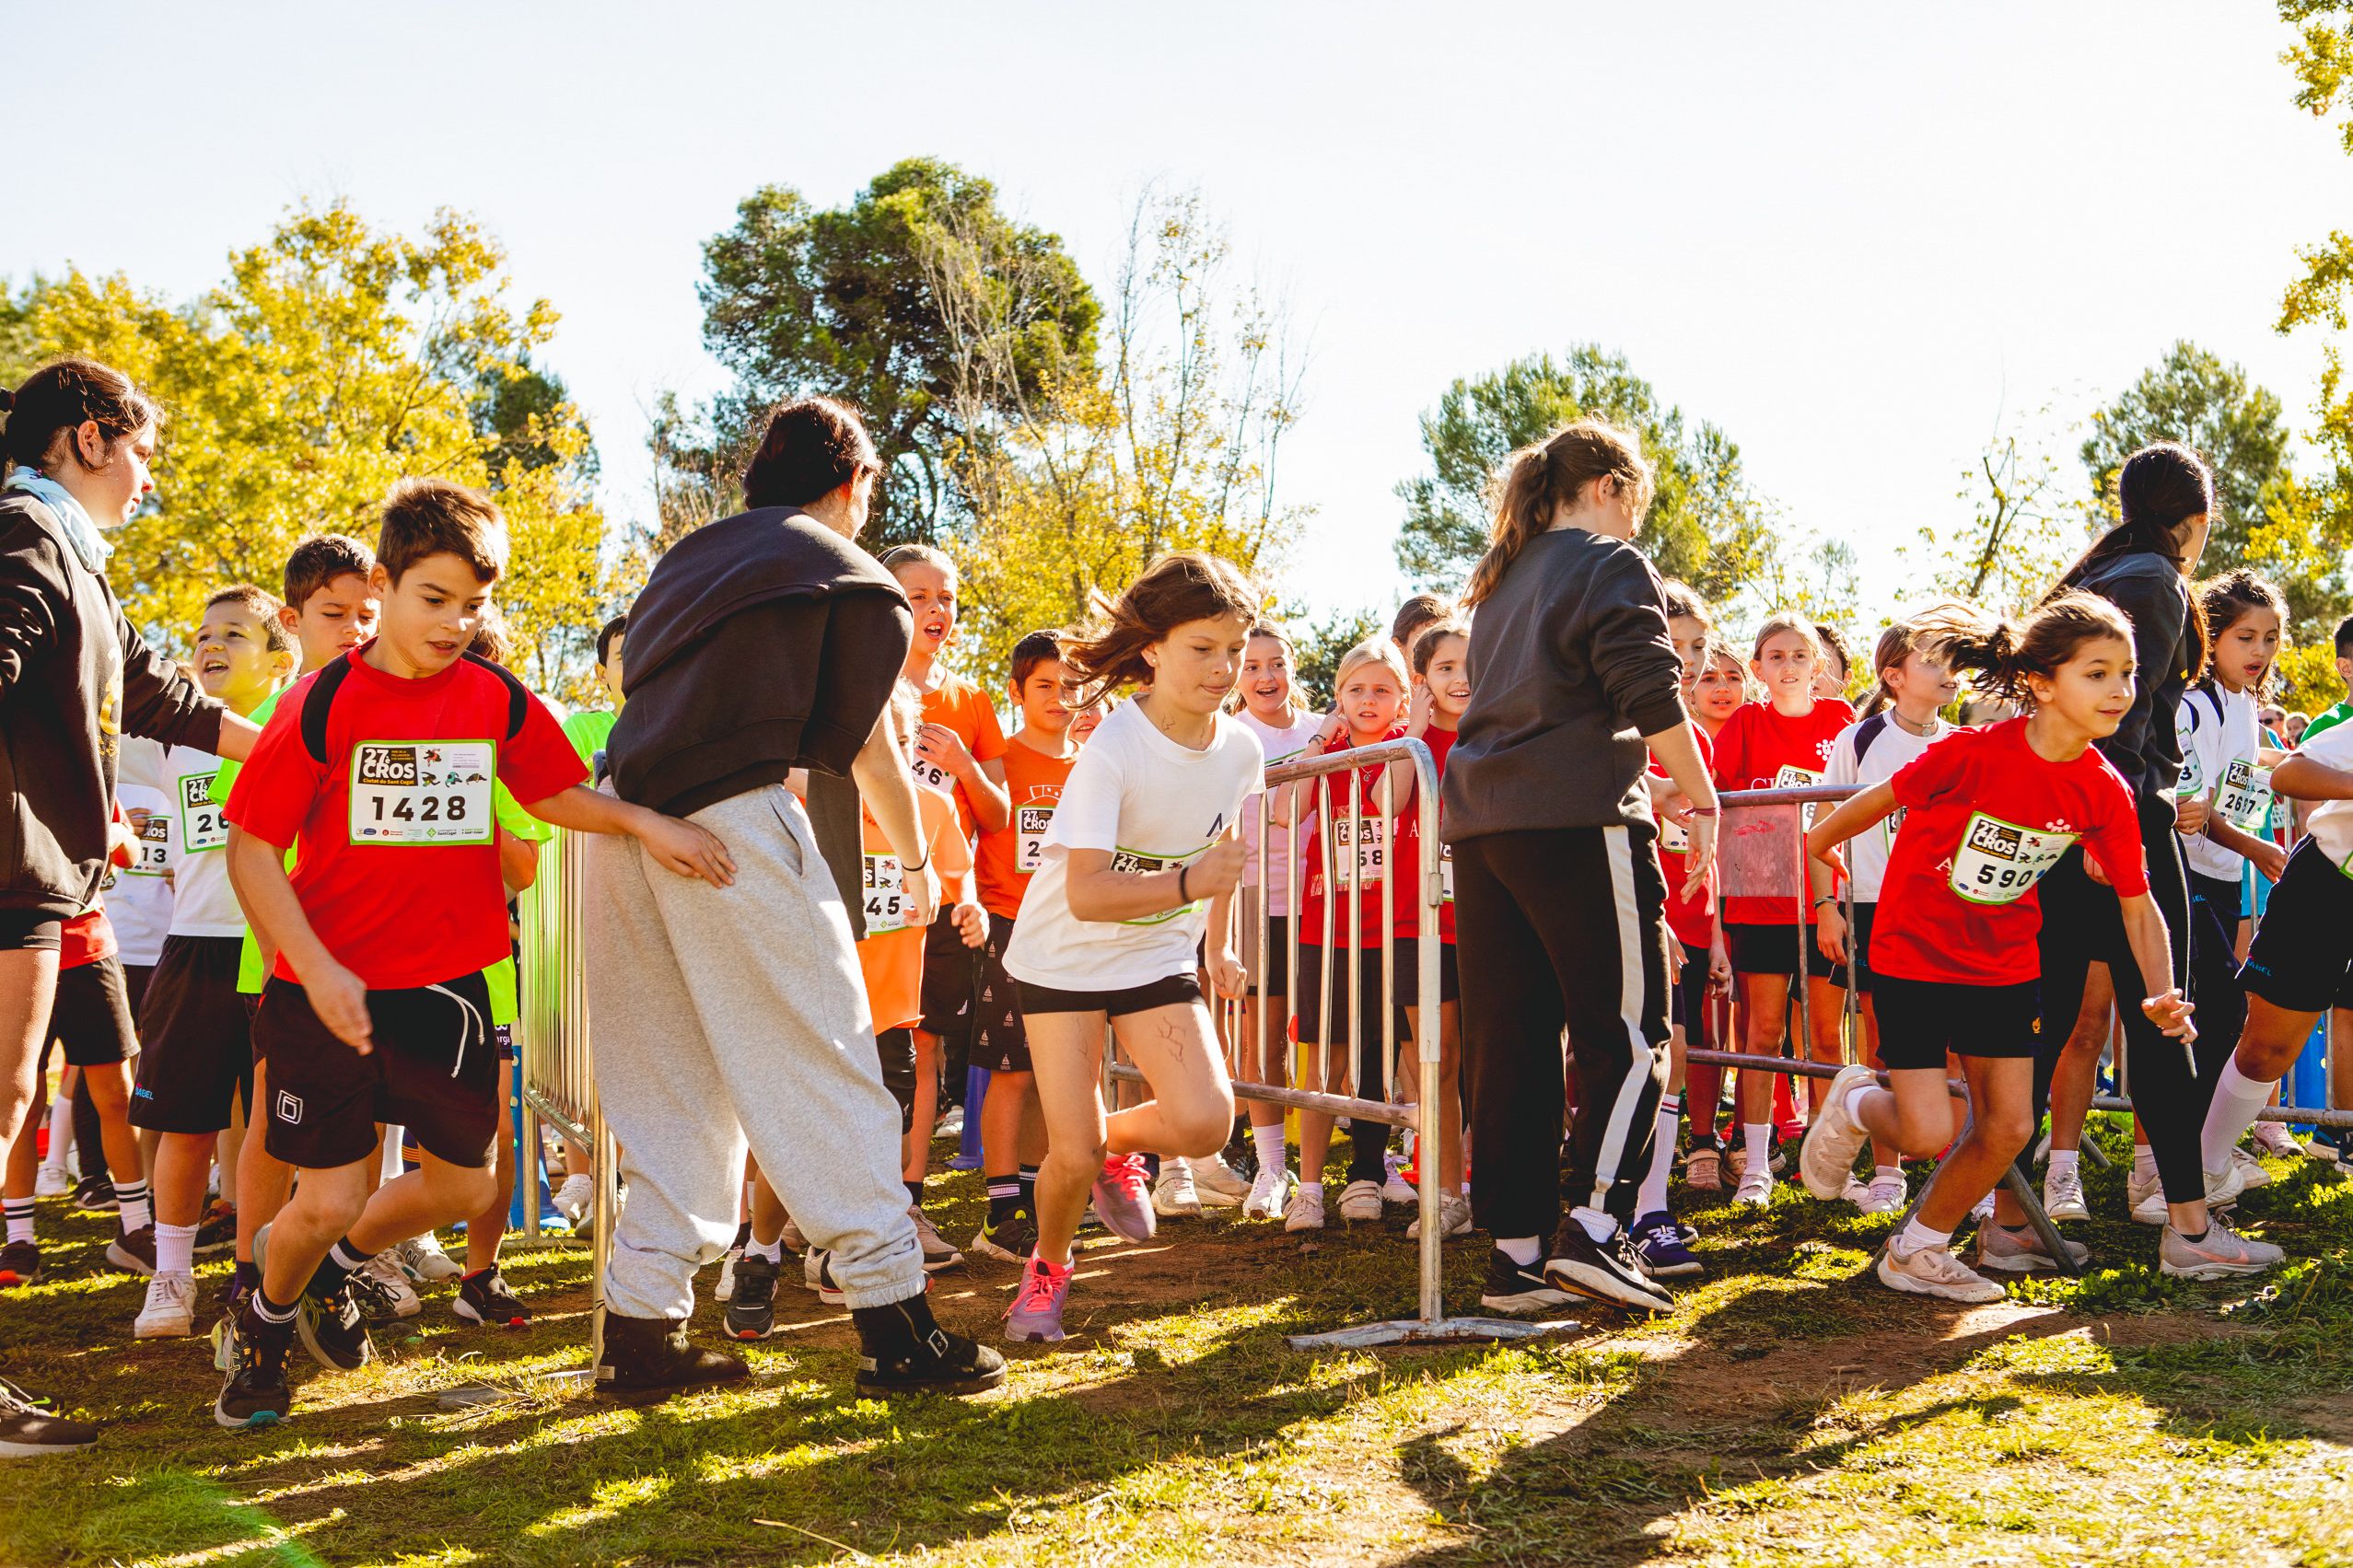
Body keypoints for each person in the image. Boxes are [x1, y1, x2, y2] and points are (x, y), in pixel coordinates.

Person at [211, 477, 734, 1429]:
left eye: (475, 603)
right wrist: (318, 965)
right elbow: (251, 848)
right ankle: (263, 1317)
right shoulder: (322, 702)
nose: (456, 622)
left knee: (468, 1183)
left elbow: (551, 793)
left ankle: (327, 1278)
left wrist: (645, 824)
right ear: (387, 582)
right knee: (330, 1196)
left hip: (446, 987)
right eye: (434, 599)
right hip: (323, 987)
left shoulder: (494, 695)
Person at [584, 397, 1005, 1400]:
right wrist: (925, 863)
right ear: (854, 481)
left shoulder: (688, 559)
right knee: (822, 1057)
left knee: (670, 1079)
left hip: (623, 819)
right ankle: (896, 1326)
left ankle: (639, 1332)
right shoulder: (851, 575)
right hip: (731, 819)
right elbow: (868, 748)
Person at [1, 358, 264, 1457]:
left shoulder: (73, 551)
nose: (151, 475)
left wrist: (313, 763)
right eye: (144, 449)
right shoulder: (26, 531)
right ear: (90, 438)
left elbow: (161, 696)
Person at [1800, 595, 2196, 1300]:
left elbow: (2139, 907)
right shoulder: (1968, 752)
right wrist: (1823, 860)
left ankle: (1916, 1248)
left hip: (2004, 963)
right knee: (1924, 1131)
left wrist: (2161, 991)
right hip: (1914, 952)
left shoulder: (2103, 788)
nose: (2119, 690)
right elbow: (1870, 803)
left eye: (2127, 673)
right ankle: (1859, 1098)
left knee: (2009, 1124)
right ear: (2042, 684)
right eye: (2097, 673)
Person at [1441, 420, 1718, 1318]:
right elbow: (1645, 682)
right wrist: (1698, 793)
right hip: (1578, 818)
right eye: (1634, 500)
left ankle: (1516, 1256)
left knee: (1510, 1041)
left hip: (1485, 828)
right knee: (1632, 1029)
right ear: (1606, 486)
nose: (1635, 519)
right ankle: (1596, 1227)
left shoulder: (1500, 582)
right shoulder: (1608, 560)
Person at [999, 552, 1260, 1345]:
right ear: (1151, 648)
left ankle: (1110, 1143)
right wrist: (1188, 884)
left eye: (1235, 651)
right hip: (1061, 959)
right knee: (1065, 1159)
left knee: (1206, 1122)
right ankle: (1046, 1269)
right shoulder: (1114, 747)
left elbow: (1223, 860)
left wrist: (1218, 941)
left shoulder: (1243, 751)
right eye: (1202, 648)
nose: (1223, 669)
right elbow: (1086, 891)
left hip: (1155, 958)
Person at [2026, 444, 2246, 1270]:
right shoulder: (2152, 580)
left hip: (2084, 821)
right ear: (2195, 515)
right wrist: (2097, 828)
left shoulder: (2114, 570)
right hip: (2113, 824)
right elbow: (2113, 714)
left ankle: (2006, 1217)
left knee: (2071, 1025)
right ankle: (2187, 1228)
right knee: (2185, 1012)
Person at [130, 587, 297, 1339]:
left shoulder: (294, 726)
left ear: (279, 656)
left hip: (276, 948)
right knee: (185, 1123)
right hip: (194, 945)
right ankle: (169, 1278)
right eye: (201, 634)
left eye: (235, 633)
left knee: (274, 1125)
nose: (211, 645)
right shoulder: (170, 735)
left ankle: (260, 1275)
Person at [879, 544, 1008, 1243]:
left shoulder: (970, 699)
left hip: (938, 903)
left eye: (946, 597)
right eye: (918, 596)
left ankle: (907, 1200)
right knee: (857, 1049)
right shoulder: (854, 685)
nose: (936, 610)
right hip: (862, 897)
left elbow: (996, 815)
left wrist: (959, 761)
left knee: (923, 1051)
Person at [1811, 610, 1961, 1215]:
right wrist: (1827, 906)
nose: (1948, 670)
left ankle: (1953, 1164)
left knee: (1954, 1047)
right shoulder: (1861, 738)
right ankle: (1886, 1171)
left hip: (1948, 913)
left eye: (1952, 658)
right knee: (1884, 1042)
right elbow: (1821, 823)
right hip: (1875, 906)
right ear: (1893, 675)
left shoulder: (1961, 744)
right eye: (1932, 659)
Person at [1711, 613, 1853, 1203]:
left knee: (1826, 1035)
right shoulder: (1745, 722)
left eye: (1799, 655)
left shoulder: (1842, 722)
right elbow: (1715, 802)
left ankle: (1829, 1164)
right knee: (1762, 1032)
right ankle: (1755, 1165)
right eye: (1775, 656)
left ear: (1818, 666)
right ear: (1758, 667)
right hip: (1760, 900)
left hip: (1828, 904)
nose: (1788, 666)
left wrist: (1831, 903)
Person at [2160, 571, 2290, 1208]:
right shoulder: (2193, 703)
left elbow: (2241, 788)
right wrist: (2258, 847)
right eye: (2245, 636)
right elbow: (2195, 805)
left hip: (2222, 877)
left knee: (2219, 1015)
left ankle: (2206, 1154)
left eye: (2269, 637)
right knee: (2204, 1015)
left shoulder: (2244, 706)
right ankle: (2169, 1166)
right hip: (2183, 875)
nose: (2259, 650)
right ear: (2210, 637)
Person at [1287, 639, 1418, 1232]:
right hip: (1327, 927)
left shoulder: (1408, 749)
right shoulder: (1326, 751)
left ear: (1402, 699)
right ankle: (1308, 1186)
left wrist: (1395, 743)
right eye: (1356, 689)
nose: (1369, 700)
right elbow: (1287, 811)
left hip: (1388, 928)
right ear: (1338, 698)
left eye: (1382, 690)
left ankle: (1365, 1173)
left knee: (1376, 1056)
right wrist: (1320, 742)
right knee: (1325, 1058)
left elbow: (1386, 802)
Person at [969, 633, 1083, 1261]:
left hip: (1073, 928)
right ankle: (999, 1211)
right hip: (1008, 924)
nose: (1058, 697)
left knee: (1055, 1072)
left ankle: (1044, 1197)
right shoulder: (1000, 760)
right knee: (1010, 1072)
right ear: (1016, 691)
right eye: (1044, 685)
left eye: (1069, 686)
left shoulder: (1090, 763)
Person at [1632, 584, 1724, 1271]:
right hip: (1633, 918)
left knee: (1675, 1059)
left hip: (1687, 927)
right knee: (1633, 1061)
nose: (1689, 660)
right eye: (1676, 644)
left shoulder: (1693, 739)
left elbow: (1699, 841)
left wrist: (1714, 933)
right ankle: (1626, 1208)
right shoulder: (1619, 729)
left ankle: (1652, 1207)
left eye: (1698, 645)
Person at [1229, 624, 1324, 1221]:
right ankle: (1270, 1167)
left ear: (1293, 666)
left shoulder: (1321, 729)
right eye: (1252, 666)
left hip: (1323, 901)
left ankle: (1347, 1166)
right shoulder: (1230, 735)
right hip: (1255, 900)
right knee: (1261, 1039)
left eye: (1277, 663)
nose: (1266, 677)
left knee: (1321, 1040)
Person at [1398, 618, 1472, 1242]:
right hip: (1421, 926)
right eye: (1445, 667)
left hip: (1490, 919)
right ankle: (1446, 1193)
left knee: (1497, 1059)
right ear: (1421, 680)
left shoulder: (1497, 737)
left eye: (1470, 665)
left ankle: (1493, 1184)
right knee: (1436, 1061)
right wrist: (1416, 733)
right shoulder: (1407, 742)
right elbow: (1387, 803)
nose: (1460, 678)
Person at [563, 613, 626, 768]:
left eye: (644, 654)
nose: (636, 664)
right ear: (602, 673)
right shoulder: (580, 729)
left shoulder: (677, 727)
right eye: (623, 657)